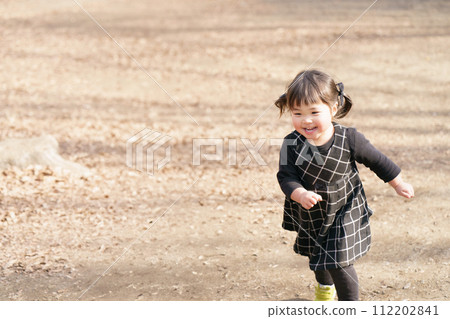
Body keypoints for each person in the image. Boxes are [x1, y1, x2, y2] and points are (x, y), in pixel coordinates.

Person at [275, 69, 414, 301]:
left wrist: (398, 183)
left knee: (338, 259)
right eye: (297, 113)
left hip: (344, 207)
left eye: (314, 112)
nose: (306, 120)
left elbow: (377, 161)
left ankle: (350, 306)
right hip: (311, 209)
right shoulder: (292, 143)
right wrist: (299, 193)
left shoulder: (349, 138)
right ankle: (324, 289)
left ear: (333, 109)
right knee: (317, 254)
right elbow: (285, 176)